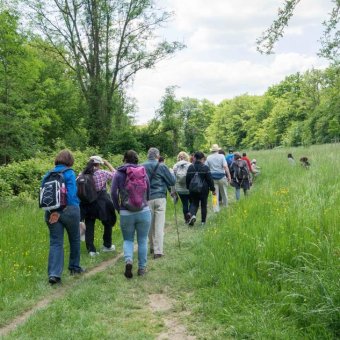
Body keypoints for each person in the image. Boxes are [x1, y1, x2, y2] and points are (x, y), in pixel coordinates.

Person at [42, 149, 84, 285]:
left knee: (55, 242)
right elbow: (72, 194)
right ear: (70, 161)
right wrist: (64, 210)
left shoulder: (47, 174)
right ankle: (74, 267)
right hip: (69, 210)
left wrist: (54, 211)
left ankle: (54, 275)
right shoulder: (70, 173)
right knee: (75, 239)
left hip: (50, 212)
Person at [111, 150, 151, 278]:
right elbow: (148, 189)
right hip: (143, 210)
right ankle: (142, 269)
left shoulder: (118, 173)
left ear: (124, 159)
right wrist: (146, 202)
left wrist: (118, 207)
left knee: (128, 240)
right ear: (136, 159)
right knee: (143, 240)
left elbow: (113, 193)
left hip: (126, 212)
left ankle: (128, 260)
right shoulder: (142, 171)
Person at [80, 155, 116, 257]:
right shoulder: (102, 173)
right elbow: (115, 174)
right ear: (99, 164)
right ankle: (107, 245)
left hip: (87, 204)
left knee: (90, 225)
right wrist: (108, 163)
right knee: (107, 223)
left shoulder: (82, 174)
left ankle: (91, 250)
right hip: (101, 203)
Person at [142, 147, 175, 259]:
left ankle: (151, 246)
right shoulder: (162, 166)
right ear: (157, 155)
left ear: (148, 155)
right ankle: (158, 251)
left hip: (147, 198)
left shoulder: (142, 166)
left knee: (149, 225)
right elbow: (172, 181)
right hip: (160, 197)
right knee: (159, 226)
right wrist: (171, 173)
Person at [186, 151, 215, 226]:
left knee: (194, 203)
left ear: (194, 158)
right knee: (203, 205)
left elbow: (187, 179)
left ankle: (191, 214)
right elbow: (210, 180)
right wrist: (213, 189)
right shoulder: (205, 167)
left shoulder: (190, 167)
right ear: (202, 158)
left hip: (192, 189)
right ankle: (203, 222)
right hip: (204, 189)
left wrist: (188, 188)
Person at [205, 144, 231, 212]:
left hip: (212, 178)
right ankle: (226, 206)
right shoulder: (222, 156)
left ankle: (216, 209)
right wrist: (229, 176)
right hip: (222, 177)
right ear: (218, 150)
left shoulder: (208, 157)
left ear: (212, 151)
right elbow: (225, 166)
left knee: (214, 194)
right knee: (224, 193)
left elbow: (206, 168)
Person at [173, 151, 191, 223]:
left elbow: (173, 179)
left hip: (179, 189)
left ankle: (186, 220)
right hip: (189, 188)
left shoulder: (175, 166)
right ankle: (190, 215)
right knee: (192, 202)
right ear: (186, 157)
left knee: (184, 204)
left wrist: (173, 190)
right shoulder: (190, 165)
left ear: (178, 158)